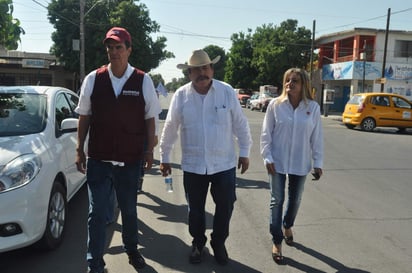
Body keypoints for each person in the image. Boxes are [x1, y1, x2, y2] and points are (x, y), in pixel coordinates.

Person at [75, 26, 160, 273]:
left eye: (119, 47)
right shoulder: (94, 78)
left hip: (129, 158)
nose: (114, 52)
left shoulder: (142, 80)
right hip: (99, 159)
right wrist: (79, 149)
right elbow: (84, 115)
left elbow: (150, 118)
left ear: (128, 50)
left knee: (129, 209)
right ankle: (95, 261)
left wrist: (149, 151)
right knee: (97, 213)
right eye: (110, 48)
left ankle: (132, 250)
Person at [159, 49, 252, 265]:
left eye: (205, 68)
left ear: (212, 69)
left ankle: (218, 242)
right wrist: (164, 157)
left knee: (225, 206)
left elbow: (240, 124)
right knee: (195, 210)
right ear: (189, 73)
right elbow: (171, 127)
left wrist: (245, 152)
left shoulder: (226, 92)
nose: (202, 73)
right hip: (193, 165)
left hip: (224, 164)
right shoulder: (181, 96)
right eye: (196, 70)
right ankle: (198, 243)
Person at [260, 68, 324, 264]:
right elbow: (266, 134)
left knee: (295, 199)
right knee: (276, 200)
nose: (289, 84)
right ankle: (277, 240)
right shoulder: (275, 105)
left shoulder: (312, 108)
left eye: (294, 81)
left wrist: (318, 162)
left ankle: (287, 225)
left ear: (303, 84)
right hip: (277, 162)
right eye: (287, 80)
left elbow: (317, 138)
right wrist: (267, 157)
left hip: (300, 161)